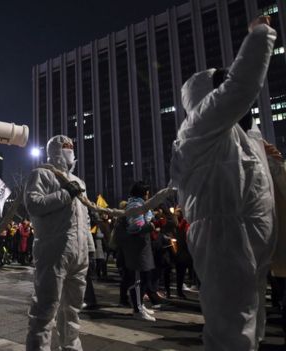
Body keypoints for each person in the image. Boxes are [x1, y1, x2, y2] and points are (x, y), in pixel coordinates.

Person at [170, 16, 279, 349]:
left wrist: (264, 149)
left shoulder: (239, 137)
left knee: (249, 326)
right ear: (209, 95)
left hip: (249, 241)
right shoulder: (199, 126)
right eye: (223, 83)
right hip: (223, 237)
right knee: (231, 331)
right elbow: (241, 87)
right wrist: (259, 33)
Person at [23, 135, 90, 351]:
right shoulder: (41, 174)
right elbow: (34, 204)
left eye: (72, 146)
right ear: (55, 150)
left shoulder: (79, 182)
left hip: (79, 255)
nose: (70, 149)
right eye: (65, 146)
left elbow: (85, 217)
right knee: (45, 310)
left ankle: (71, 347)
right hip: (53, 250)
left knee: (72, 310)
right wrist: (65, 194)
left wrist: (89, 248)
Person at [117, 181, 159, 321]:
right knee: (138, 279)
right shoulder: (135, 205)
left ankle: (140, 305)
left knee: (144, 278)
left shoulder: (141, 205)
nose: (148, 194)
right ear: (142, 193)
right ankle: (138, 309)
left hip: (142, 247)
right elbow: (135, 226)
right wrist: (150, 226)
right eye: (147, 192)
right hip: (137, 248)